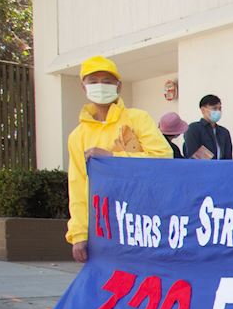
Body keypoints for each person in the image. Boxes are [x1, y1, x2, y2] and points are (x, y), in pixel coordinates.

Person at [66, 55, 172, 262]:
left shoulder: (137, 118)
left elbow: (163, 157)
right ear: (83, 86)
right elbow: (77, 186)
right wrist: (79, 234)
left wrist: (113, 158)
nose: (100, 86)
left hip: (143, 219)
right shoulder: (77, 135)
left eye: (107, 81)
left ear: (119, 86)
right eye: (93, 81)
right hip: (103, 227)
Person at [182, 94, 233, 160]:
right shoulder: (194, 128)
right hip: (202, 168)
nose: (218, 111)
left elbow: (228, 157)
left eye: (220, 108)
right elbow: (193, 155)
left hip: (221, 168)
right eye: (214, 108)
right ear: (203, 110)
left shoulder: (224, 132)